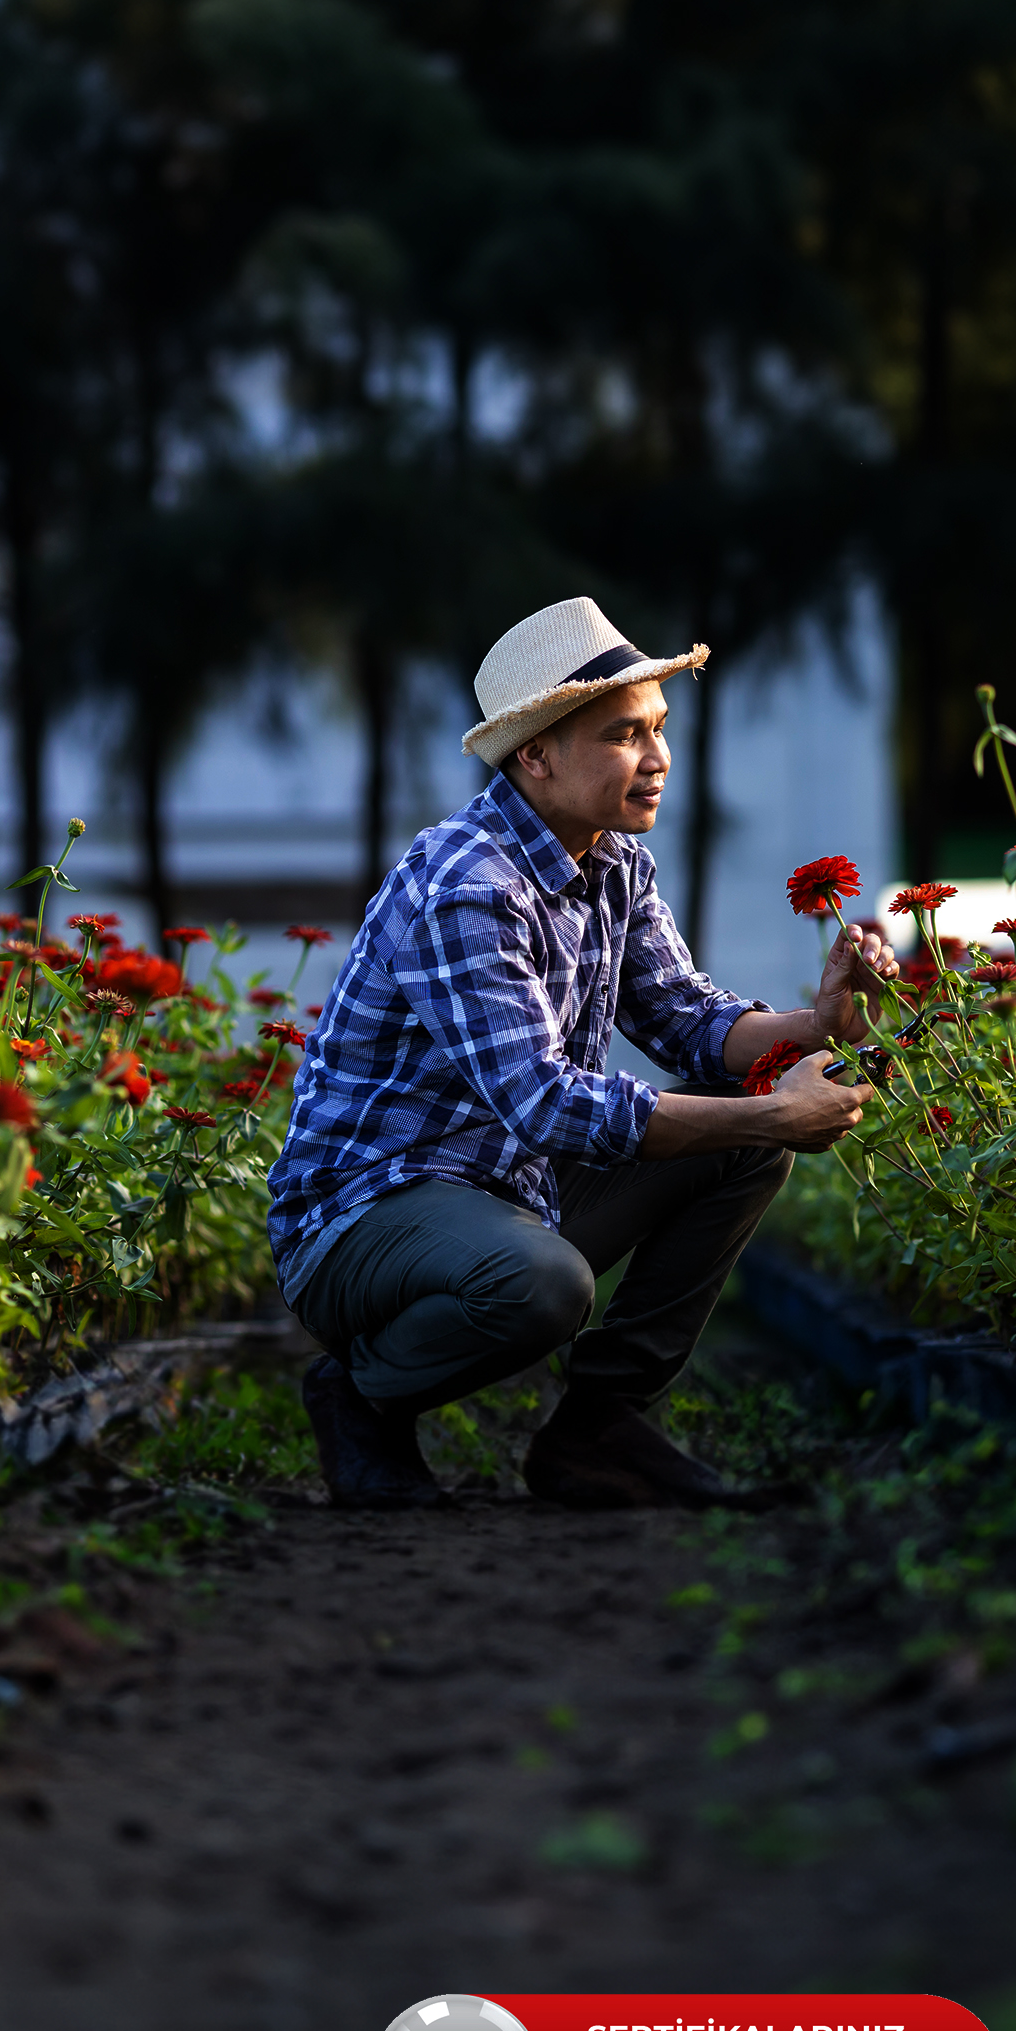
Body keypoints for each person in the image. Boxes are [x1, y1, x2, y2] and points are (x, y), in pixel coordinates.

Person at [268, 595, 897, 1511]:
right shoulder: (468, 884)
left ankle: (598, 1432)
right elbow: (548, 1106)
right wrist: (770, 1107)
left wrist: (815, 1025)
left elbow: (684, 1018)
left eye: (658, 729)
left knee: (743, 1147)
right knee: (542, 1284)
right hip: (364, 1220)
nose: (657, 761)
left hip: (507, 1192)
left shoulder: (610, 861)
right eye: (621, 736)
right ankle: (358, 1396)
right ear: (536, 755)